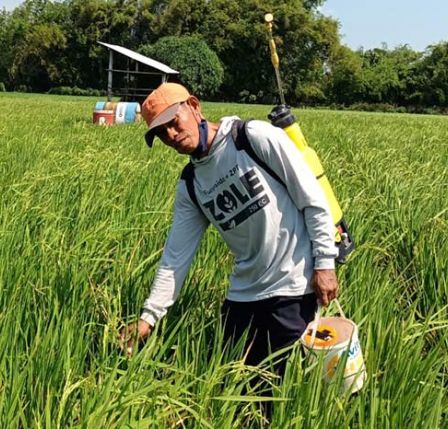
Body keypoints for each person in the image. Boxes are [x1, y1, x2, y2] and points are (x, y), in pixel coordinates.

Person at [120, 82, 339, 382]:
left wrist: (325, 263)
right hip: (244, 295)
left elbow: (312, 199)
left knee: (288, 387)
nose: (171, 135)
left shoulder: (252, 138)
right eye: (161, 133)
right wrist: (149, 317)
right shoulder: (191, 184)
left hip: (293, 286)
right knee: (234, 387)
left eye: (173, 122)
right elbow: (175, 256)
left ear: (194, 107)